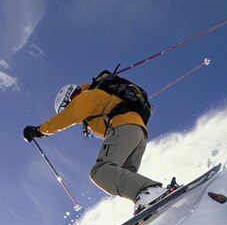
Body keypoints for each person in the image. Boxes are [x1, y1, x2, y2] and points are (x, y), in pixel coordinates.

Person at [23, 78, 168, 215]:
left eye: (65, 109)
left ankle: (150, 192)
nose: (67, 111)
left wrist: (39, 131)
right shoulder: (99, 100)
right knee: (121, 175)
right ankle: (148, 200)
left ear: (69, 99)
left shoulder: (86, 97)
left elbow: (69, 116)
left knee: (100, 171)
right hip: (138, 133)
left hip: (124, 126)